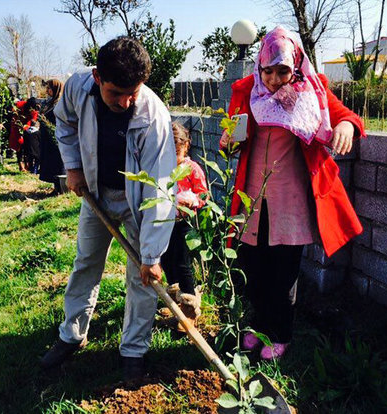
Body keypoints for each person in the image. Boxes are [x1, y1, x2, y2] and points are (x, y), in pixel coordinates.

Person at [220, 26, 365, 360]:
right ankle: (257, 327)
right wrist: (227, 143)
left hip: (291, 199)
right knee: (252, 268)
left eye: (282, 70)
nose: (273, 79)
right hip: (251, 197)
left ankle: (280, 334)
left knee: (283, 271)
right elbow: (230, 139)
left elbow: (346, 116)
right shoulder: (246, 90)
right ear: (258, 67)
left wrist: (345, 126)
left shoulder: (311, 91)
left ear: (296, 66)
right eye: (267, 70)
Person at [40, 37, 176, 380]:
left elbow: (161, 190)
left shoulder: (153, 117)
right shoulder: (78, 87)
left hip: (139, 204)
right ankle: (72, 334)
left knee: (142, 279)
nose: (126, 101)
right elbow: (65, 122)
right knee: (86, 261)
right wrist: (73, 167)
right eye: (117, 92)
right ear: (98, 77)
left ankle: (134, 350)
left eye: (133, 91)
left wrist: (152, 256)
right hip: (97, 194)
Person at [159, 122, 208, 331]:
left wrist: (194, 201)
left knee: (182, 262)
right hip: (165, 222)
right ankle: (175, 301)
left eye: (177, 153)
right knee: (166, 260)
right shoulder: (163, 169)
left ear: (186, 147)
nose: (174, 158)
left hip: (184, 223)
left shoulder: (191, 169)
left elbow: (203, 194)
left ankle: (190, 309)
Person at [38, 79, 66, 194]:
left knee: (58, 163)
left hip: (56, 137)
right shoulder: (49, 102)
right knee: (51, 163)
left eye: (49, 88)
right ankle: (56, 187)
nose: (47, 90)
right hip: (47, 138)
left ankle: (61, 188)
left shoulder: (60, 103)